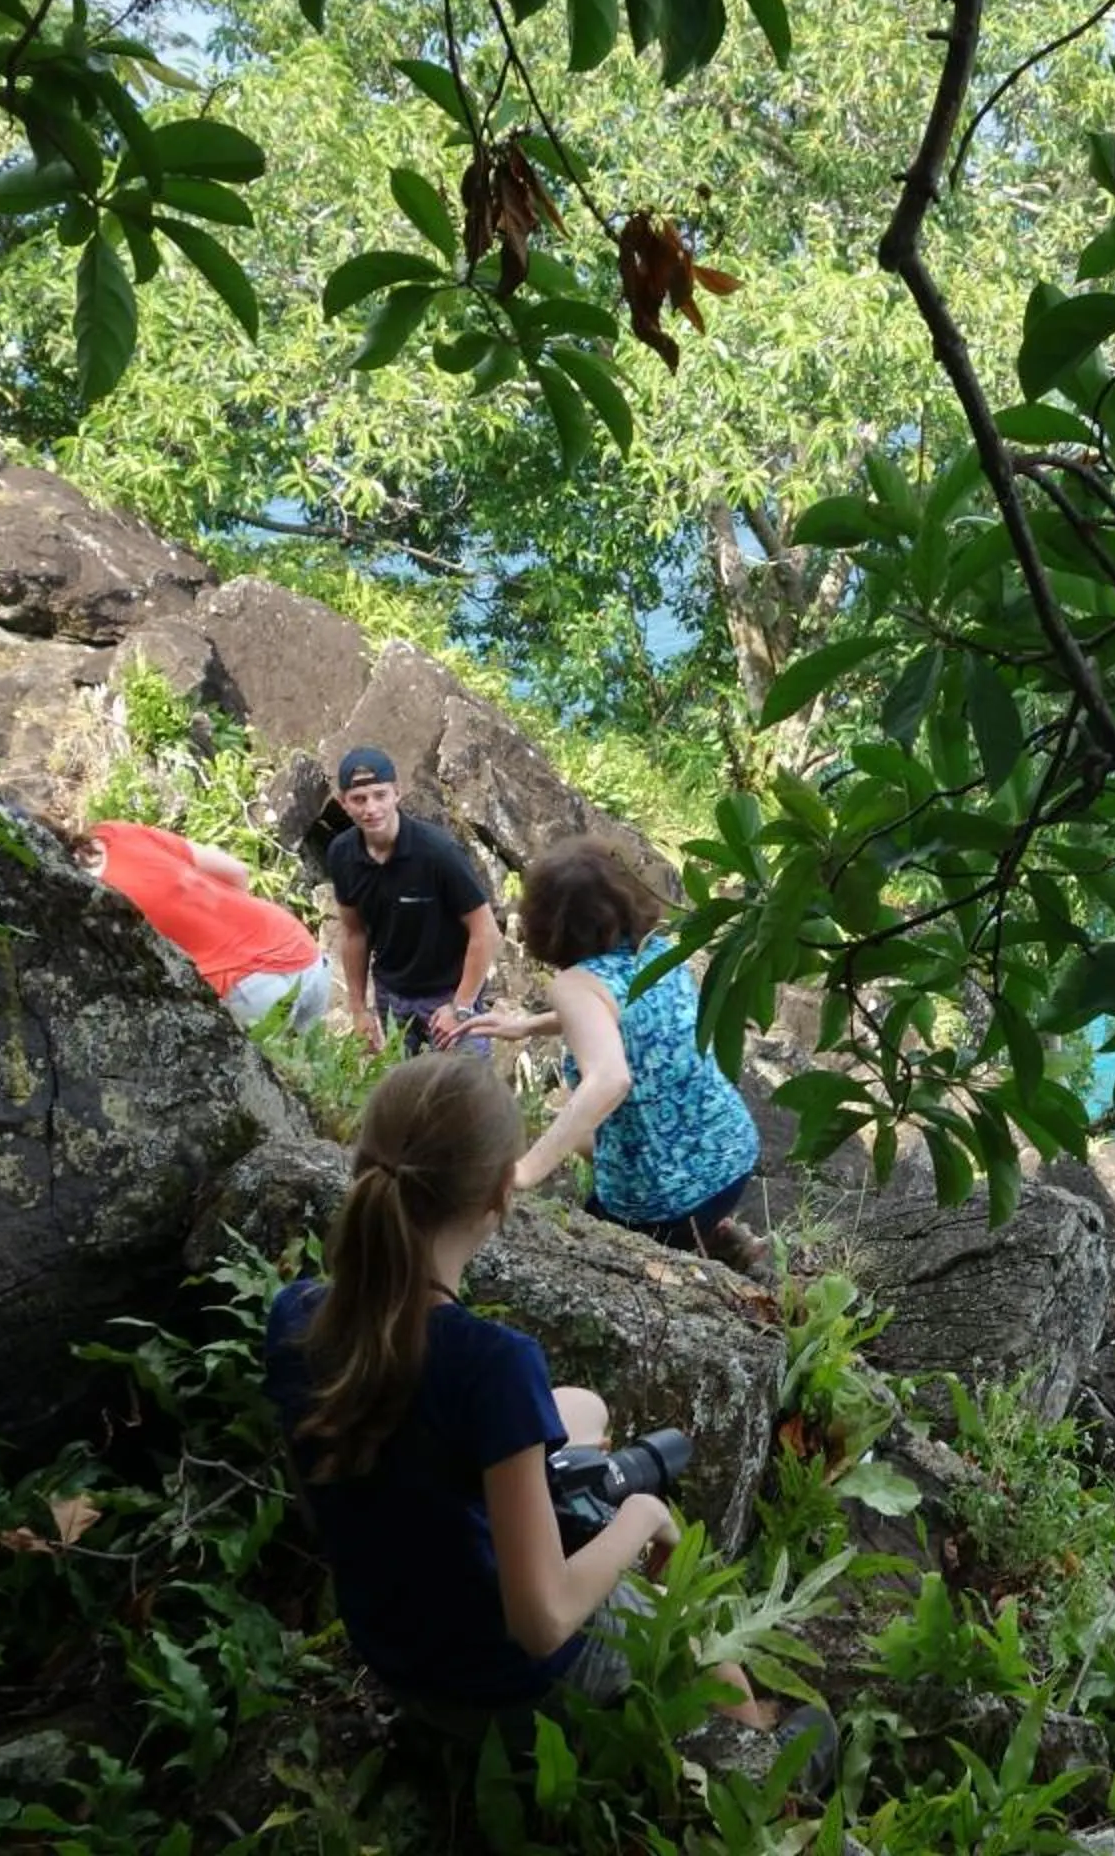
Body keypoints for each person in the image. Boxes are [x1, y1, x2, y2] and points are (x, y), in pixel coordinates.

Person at [260, 1054, 789, 1746]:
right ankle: (769, 1764)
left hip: (395, 1652)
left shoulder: (298, 1317)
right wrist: (641, 1517)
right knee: (710, 1659)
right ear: (499, 1198)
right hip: (496, 1686)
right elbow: (540, 1622)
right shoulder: (490, 1364)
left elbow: (333, 1493)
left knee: (581, 1410)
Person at [461, 836, 769, 1277]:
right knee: (596, 1135)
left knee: (589, 1236)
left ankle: (702, 1247)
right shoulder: (660, 950)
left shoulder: (574, 985)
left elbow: (609, 1079)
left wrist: (525, 1171)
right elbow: (621, 1012)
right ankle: (719, 1234)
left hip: (669, 1202)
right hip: (734, 1154)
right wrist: (530, 1025)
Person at [69, 818, 330, 1030]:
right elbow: (236, 871)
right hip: (298, 947)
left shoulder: (82, 900)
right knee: (313, 1077)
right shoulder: (113, 834)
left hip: (247, 988)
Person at [323, 747, 501, 1057]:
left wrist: (460, 1007)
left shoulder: (438, 851)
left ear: (397, 793)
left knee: (465, 1091)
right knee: (398, 1091)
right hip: (391, 995)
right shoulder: (342, 854)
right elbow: (354, 933)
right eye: (359, 799)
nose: (371, 808)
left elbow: (485, 931)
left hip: (448, 990)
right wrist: (358, 1010)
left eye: (380, 795)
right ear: (343, 803)